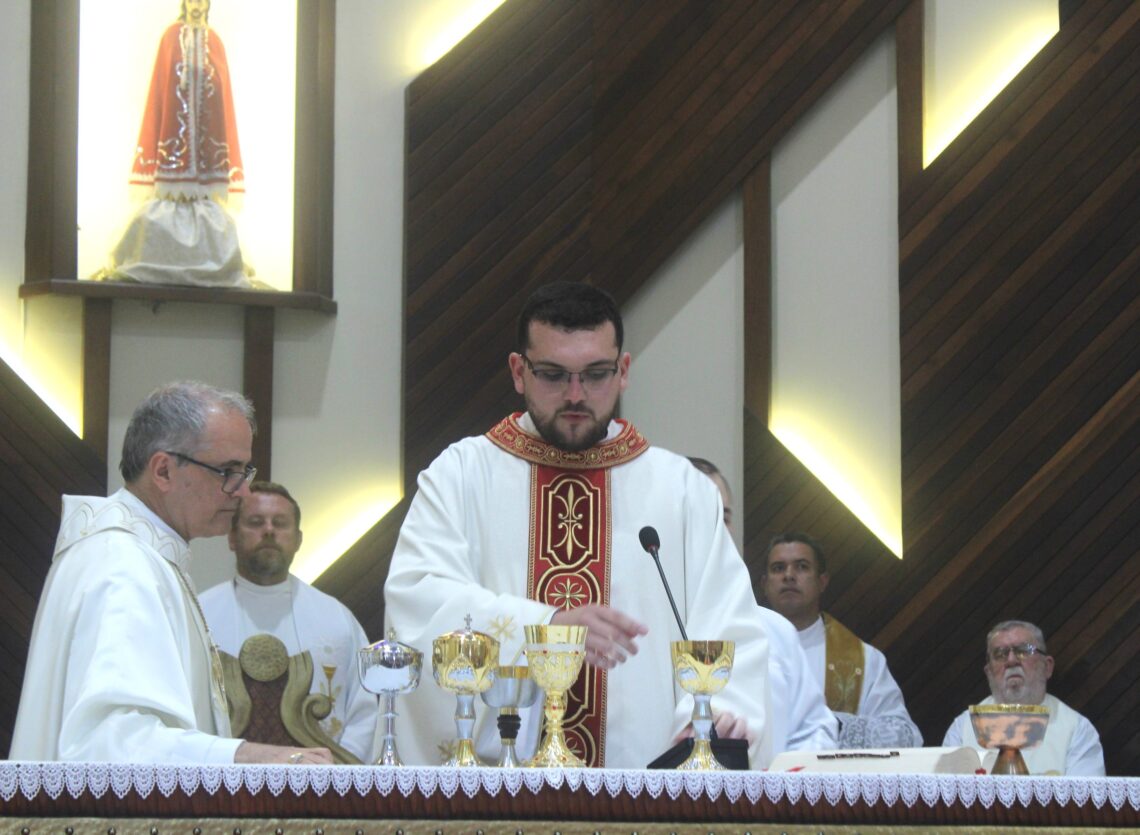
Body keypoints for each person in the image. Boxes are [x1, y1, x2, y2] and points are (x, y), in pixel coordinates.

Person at [384, 282, 773, 768]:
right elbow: (417, 598)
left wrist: (712, 712)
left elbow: (728, 622)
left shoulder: (682, 491)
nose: (575, 395)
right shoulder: (461, 475)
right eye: (552, 375)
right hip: (498, 796)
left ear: (624, 371)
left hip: (641, 790)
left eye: (595, 374)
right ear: (518, 372)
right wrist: (545, 628)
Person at [9, 382, 331, 765]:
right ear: (163, 470)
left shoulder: (138, 556)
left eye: (245, 471)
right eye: (228, 471)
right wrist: (252, 757)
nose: (243, 491)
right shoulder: (122, 567)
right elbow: (110, 745)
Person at [200, 481, 379, 761]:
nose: (269, 531)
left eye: (280, 523)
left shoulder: (336, 619)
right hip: (221, 791)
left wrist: (341, 776)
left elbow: (365, 711)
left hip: (319, 792)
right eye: (255, 522)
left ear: (298, 539)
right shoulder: (200, 615)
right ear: (232, 537)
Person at [688, 458, 838, 753]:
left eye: (726, 516)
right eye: (703, 512)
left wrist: (782, 780)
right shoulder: (633, 629)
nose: (719, 529)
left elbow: (814, 729)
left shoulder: (777, 631)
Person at [98, 0, 252, 287]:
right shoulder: (170, 39)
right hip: (172, 160)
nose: (197, 5)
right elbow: (160, 95)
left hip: (207, 167)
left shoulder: (215, 43)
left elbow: (223, 103)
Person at [761, 533, 922, 748]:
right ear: (764, 583)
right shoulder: (742, 650)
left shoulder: (865, 660)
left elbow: (906, 737)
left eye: (801, 566)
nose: (789, 575)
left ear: (822, 582)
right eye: (778, 568)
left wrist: (831, 724)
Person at [943, 620, 1105, 775]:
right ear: (989, 672)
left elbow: (1084, 800)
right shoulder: (963, 729)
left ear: (1047, 667)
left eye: (1024, 650)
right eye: (1000, 654)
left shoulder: (1077, 730)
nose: (1011, 660)